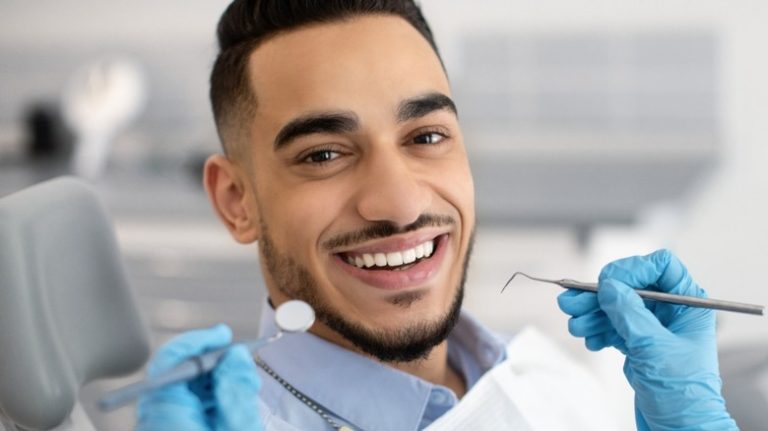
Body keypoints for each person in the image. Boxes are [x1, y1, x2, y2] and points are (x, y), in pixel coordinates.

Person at [135, 1, 739, 430]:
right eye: (323, 154)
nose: (400, 204)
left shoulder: (549, 377)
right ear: (236, 201)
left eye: (425, 136)